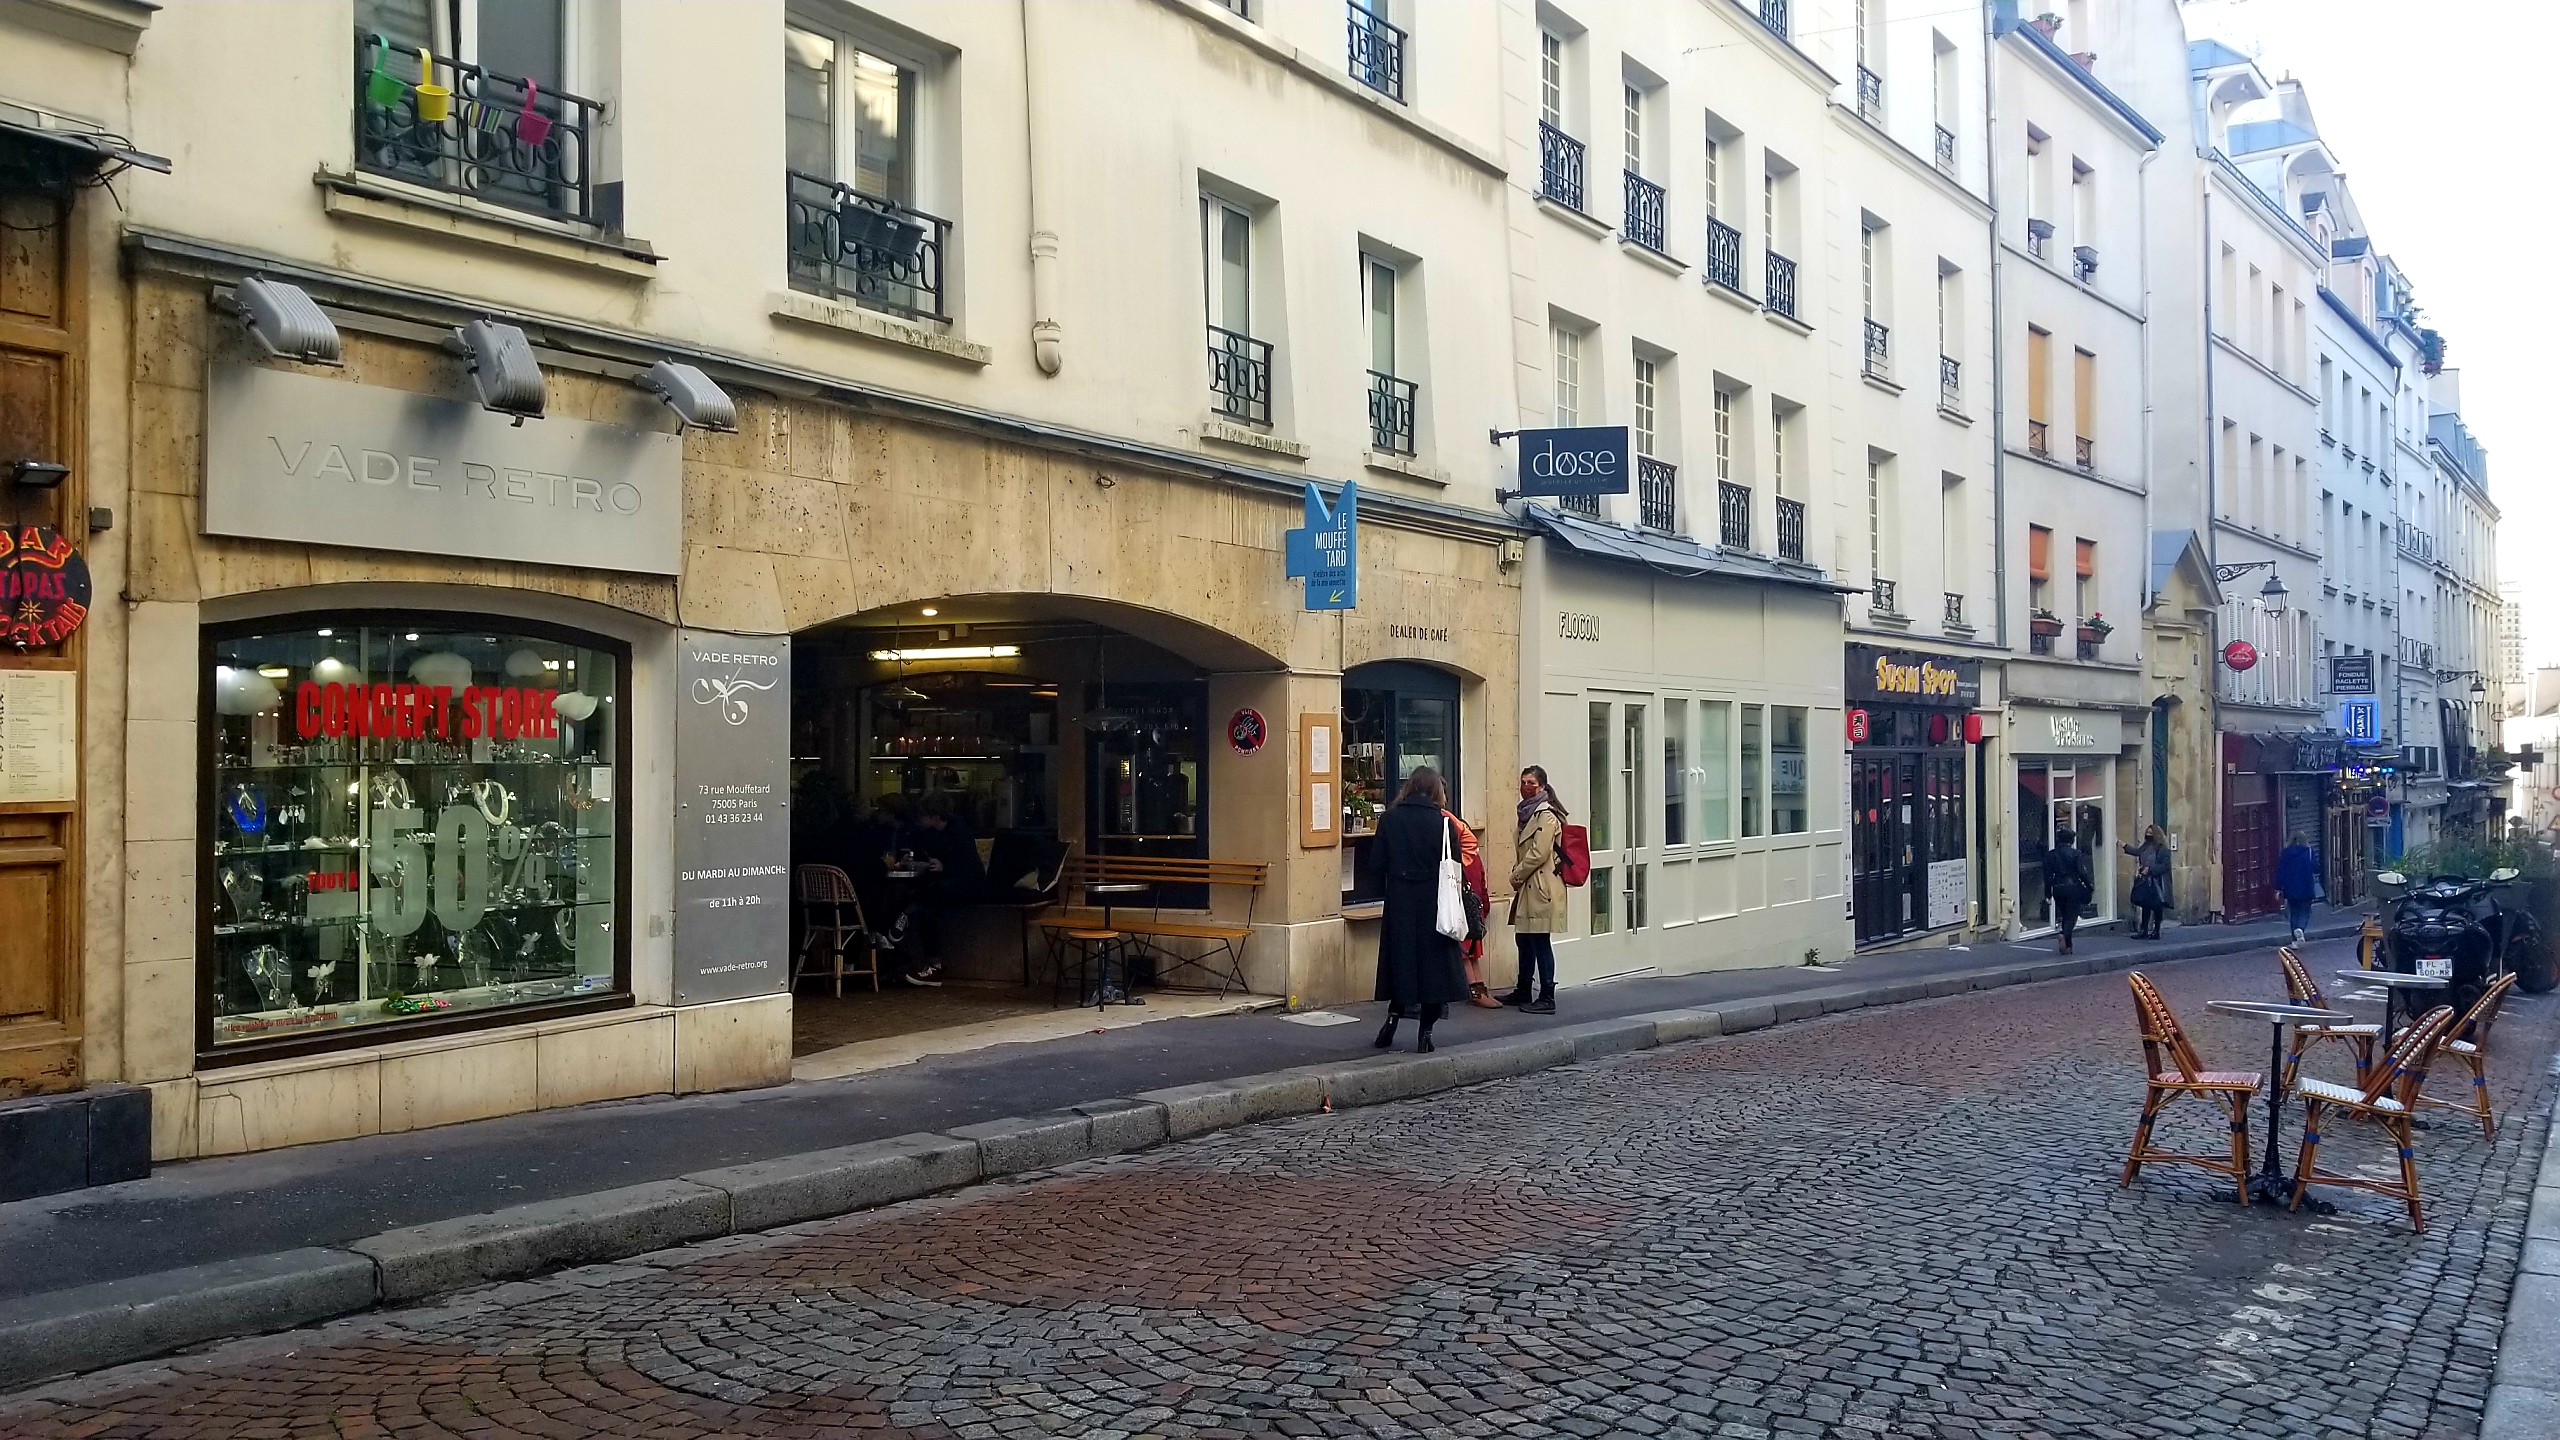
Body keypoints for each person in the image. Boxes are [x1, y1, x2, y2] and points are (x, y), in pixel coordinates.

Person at [1366, 767, 1472, 1052]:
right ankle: (1425, 1033)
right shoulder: (1444, 823)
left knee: (1401, 964)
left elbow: (1376, 864)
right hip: (1434, 902)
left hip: (1400, 899)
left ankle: (1392, 1018)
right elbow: (1456, 865)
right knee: (1433, 970)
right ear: (1436, 790)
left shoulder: (1390, 819)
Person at [1505, 766, 1567, 1015]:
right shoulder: (1527, 814)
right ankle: (1523, 989)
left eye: (1531, 782)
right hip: (1530, 885)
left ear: (1541, 786)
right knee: (1524, 938)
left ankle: (1547, 996)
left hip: (1542, 886)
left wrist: (1516, 875)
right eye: (1523, 782)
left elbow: (1539, 853)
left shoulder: (1546, 815)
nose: (1525, 787)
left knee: (1540, 940)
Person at [1444, 808, 1501, 1007]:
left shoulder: (1461, 859)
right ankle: (1478, 989)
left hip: (1464, 907)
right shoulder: (1473, 856)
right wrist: (1484, 905)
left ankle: (1476, 990)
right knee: (1471, 953)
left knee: (1467, 952)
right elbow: (1482, 882)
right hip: (1472, 908)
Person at [2043, 827, 2093, 954]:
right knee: (2071, 916)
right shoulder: (2076, 854)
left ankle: (2068, 946)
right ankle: (2064, 935)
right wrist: (2089, 885)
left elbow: (2047, 876)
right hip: (2073, 887)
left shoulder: (2050, 855)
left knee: (2065, 914)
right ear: (2071, 840)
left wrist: (2048, 893)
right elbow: (2082, 872)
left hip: (2058, 887)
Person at [2122, 825, 2171, 939]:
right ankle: (2144, 930)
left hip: (2157, 881)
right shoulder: (2146, 845)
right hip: (2145, 880)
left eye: (2151, 833)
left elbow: (2165, 866)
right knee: (2145, 905)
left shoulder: (2163, 849)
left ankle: (2156, 931)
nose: (2148, 835)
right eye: (2147, 833)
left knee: (2157, 906)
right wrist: (2124, 846)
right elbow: (2137, 852)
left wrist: (2150, 869)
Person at [2274, 834, 2319, 945]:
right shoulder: (2309, 851)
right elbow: (2315, 867)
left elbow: (2280, 871)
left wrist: (2278, 888)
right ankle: (2300, 929)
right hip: (2306, 886)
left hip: (2290, 888)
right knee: (2305, 911)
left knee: (2294, 913)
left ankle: (2294, 941)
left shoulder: (2285, 853)